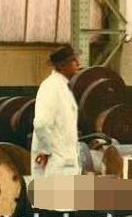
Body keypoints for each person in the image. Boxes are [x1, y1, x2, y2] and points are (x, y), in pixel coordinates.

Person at [31, 45, 82, 177]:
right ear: (62, 66)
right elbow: (41, 124)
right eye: (73, 60)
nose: (78, 63)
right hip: (55, 165)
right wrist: (45, 151)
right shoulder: (51, 87)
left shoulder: (62, 87)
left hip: (63, 163)